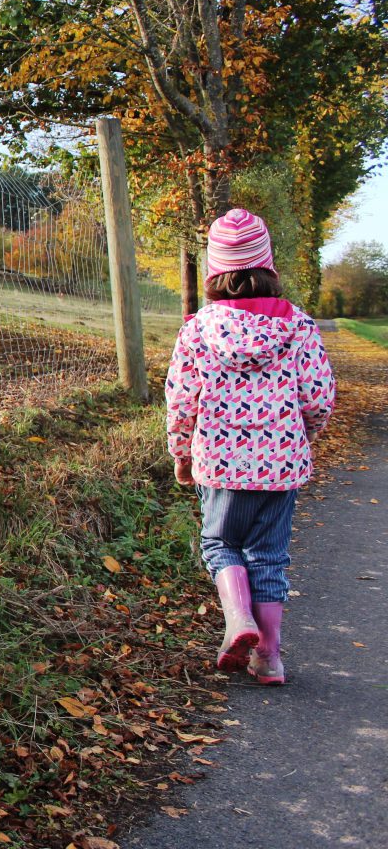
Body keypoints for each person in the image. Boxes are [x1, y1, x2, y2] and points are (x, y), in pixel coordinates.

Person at [167, 208, 336, 685]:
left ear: (215, 272)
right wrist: (302, 438)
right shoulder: (298, 326)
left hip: (220, 464)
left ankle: (238, 622)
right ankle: (270, 657)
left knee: (221, 545)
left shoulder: (198, 329)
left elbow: (182, 403)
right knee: (269, 557)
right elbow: (318, 398)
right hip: (280, 466)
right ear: (268, 265)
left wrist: (182, 454)